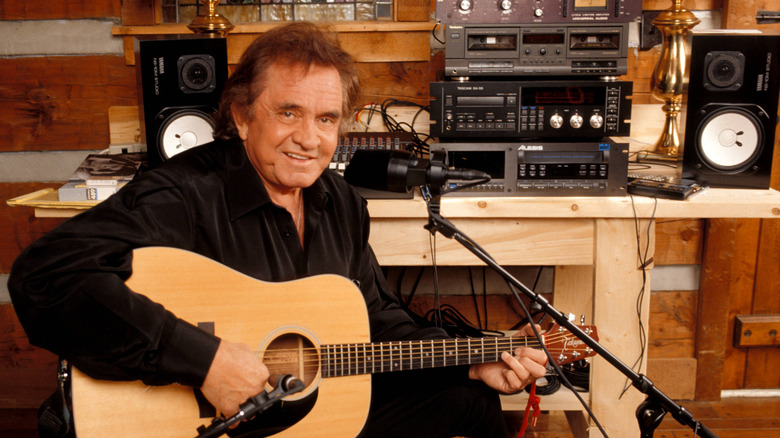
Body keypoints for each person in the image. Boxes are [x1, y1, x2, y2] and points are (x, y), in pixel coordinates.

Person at [9, 22, 547, 437]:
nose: (309, 139)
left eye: (326, 119)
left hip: (302, 413)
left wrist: (469, 360)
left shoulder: (341, 204)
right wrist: (205, 360)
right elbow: (44, 276)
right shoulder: (185, 194)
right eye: (289, 113)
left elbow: (377, 323)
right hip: (203, 422)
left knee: (471, 403)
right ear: (243, 116)